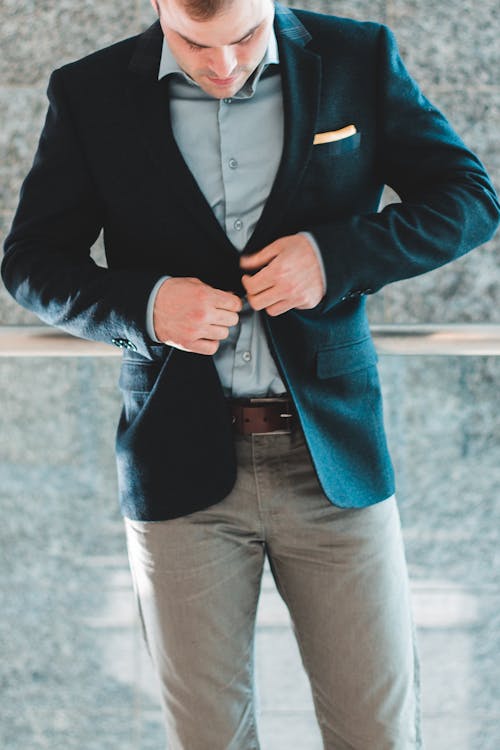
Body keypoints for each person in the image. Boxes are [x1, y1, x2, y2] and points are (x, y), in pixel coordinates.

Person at [2, 0, 499, 747]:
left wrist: (337, 258)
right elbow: (31, 263)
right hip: (177, 471)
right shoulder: (91, 91)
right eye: (196, 45)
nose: (224, 67)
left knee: (379, 734)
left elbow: (471, 199)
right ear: (159, 7)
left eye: (243, 37)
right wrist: (145, 304)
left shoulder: (357, 58)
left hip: (332, 461)